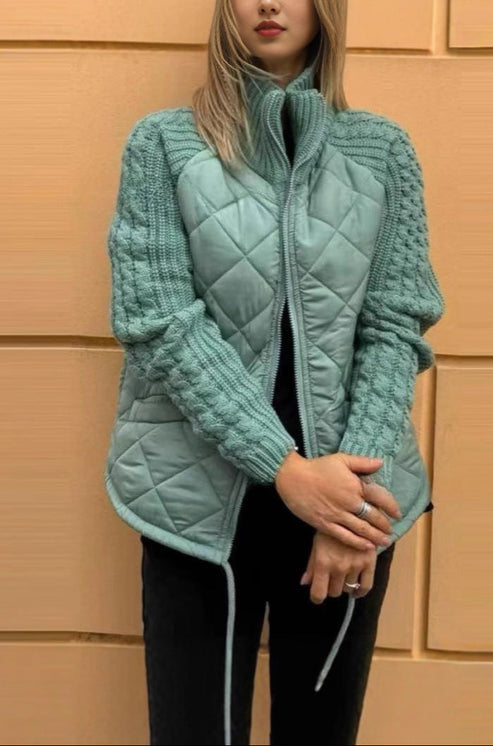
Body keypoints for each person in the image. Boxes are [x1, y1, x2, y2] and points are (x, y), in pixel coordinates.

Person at [103, 1, 446, 744]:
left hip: (349, 500)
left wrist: (352, 510)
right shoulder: (163, 144)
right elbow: (158, 321)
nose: (268, 2)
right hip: (193, 504)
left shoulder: (382, 150)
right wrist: (285, 470)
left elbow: (394, 323)